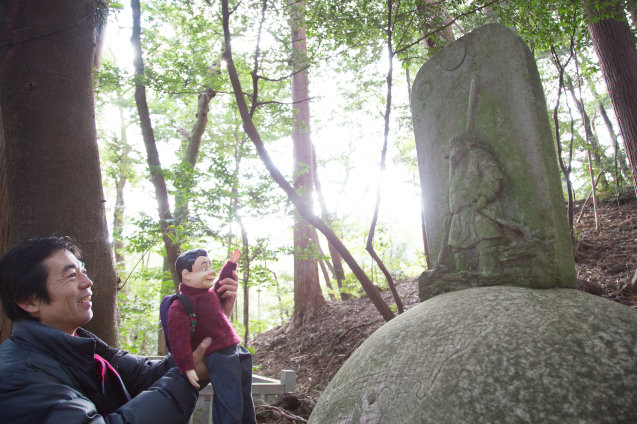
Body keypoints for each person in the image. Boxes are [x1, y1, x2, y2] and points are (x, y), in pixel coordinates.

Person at [0, 236, 238, 423]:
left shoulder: (88, 352)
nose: (88, 281)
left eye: (82, 270)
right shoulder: (17, 378)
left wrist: (210, 321)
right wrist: (183, 381)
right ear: (29, 301)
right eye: (71, 275)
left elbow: (150, 377)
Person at [166, 248, 256, 424]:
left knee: (245, 396)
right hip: (218, 355)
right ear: (187, 275)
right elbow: (179, 339)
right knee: (229, 399)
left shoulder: (210, 294)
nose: (211, 272)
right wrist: (188, 367)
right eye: (204, 268)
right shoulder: (180, 305)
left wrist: (231, 263)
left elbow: (222, 281)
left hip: (236, 348)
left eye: (210, 267)